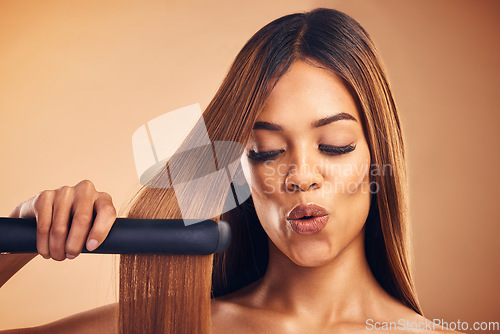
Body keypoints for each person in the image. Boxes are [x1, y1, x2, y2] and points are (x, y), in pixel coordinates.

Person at [0, 8, 457, 334]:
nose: (299, 175)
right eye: (266, 151)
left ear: (378, 158)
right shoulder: (164, 325)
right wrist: (19, 238)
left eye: (334, 146)